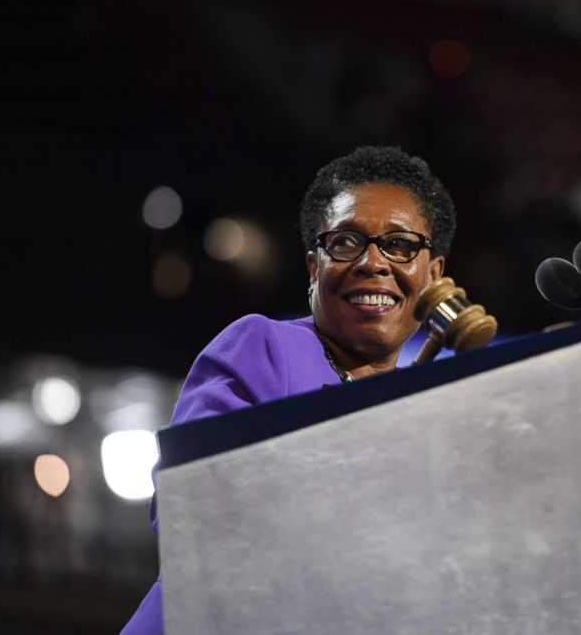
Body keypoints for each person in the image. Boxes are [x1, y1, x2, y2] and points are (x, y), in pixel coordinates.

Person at [121, 145, 457, 633]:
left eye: (400, 245)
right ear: (314, 268)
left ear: (433, 276)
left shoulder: (426, 415)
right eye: (345, 242)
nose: (373, 263)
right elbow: (188, 510)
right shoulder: (264, 348)